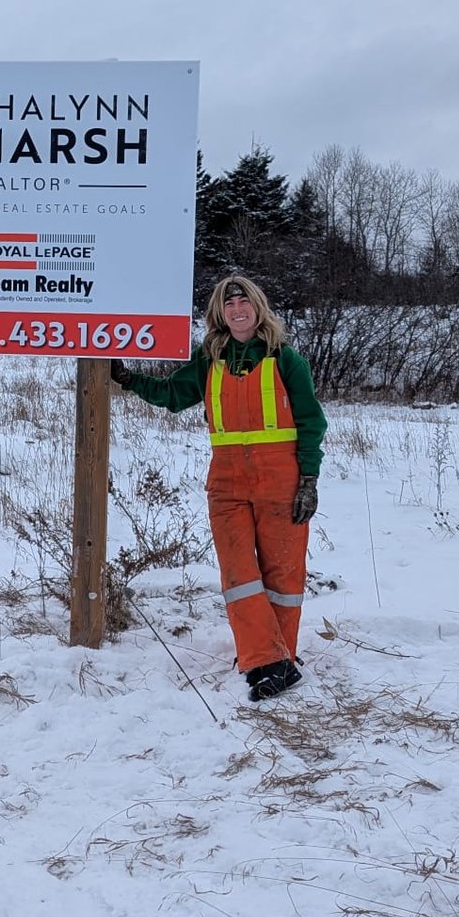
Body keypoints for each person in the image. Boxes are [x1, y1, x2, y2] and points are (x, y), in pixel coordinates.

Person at [111, 275, 325, 701]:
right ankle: (267, 659)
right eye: (229, 305)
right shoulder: (210, 359)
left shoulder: (286, 360)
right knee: (238, 574)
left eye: (244, 302)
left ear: (258, 308)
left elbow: (311, 422)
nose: (237, 310)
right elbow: (173, 395)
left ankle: (278, 659)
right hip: (227, 481)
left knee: (282, 574)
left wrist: (308, 480)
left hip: (281, 479)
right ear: (219, 314)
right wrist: (128, 379)